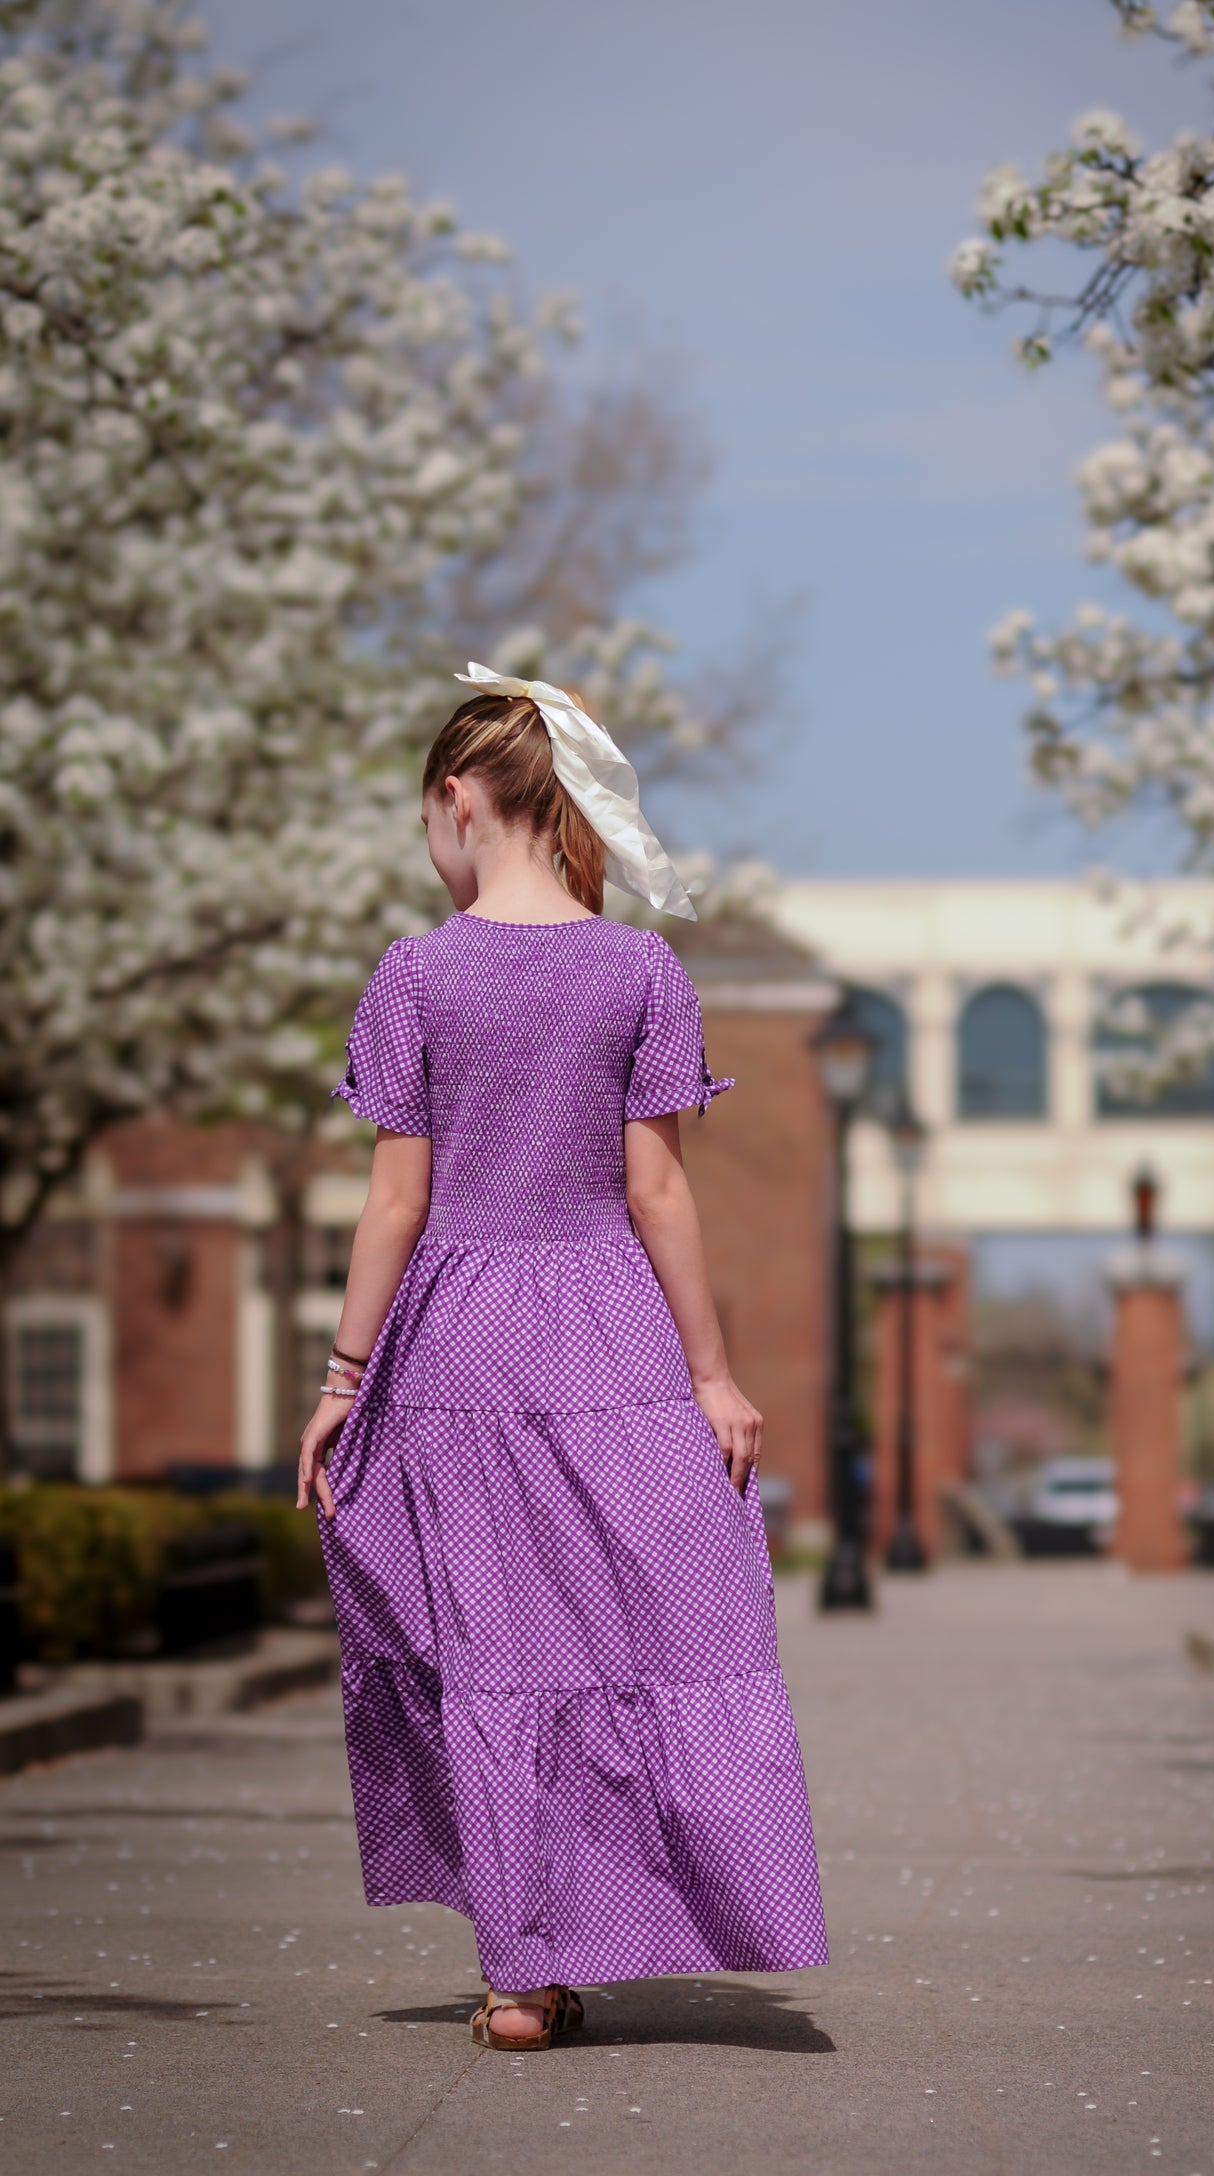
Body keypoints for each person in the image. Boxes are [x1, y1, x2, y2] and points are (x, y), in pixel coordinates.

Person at [297, 664, 828, 2052]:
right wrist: (711, 1374)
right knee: (634, 1632)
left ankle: (520, 1973)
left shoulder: (415, 973)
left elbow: (396, 1201)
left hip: (458, 1333)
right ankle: (608, 1917)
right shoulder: (639, 967)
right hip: (610, 1324)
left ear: (459, 801)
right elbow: (657, 1192)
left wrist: (342, 1378)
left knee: (486, 1651)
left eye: (428, 816)